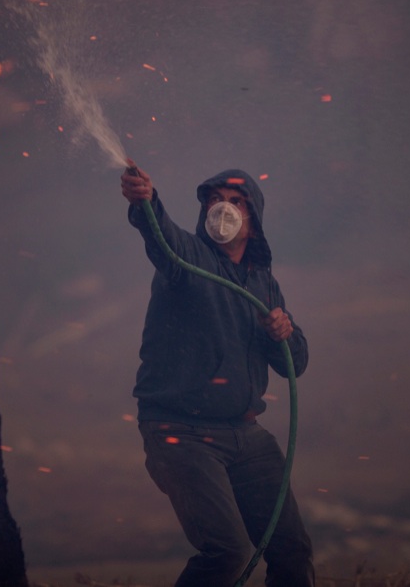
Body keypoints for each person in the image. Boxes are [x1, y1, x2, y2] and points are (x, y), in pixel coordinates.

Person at [120, 163, 315, 587]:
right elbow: (160, 235)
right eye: (214, 200)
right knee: (227, 552)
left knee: (292, 550)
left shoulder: (264, 282)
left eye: (236, 202)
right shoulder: (186, 259)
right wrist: (146, 201)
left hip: (246, 436)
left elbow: (293, 364)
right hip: (180, 431)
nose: (222, 208)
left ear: (253, 221)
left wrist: (286, 333)